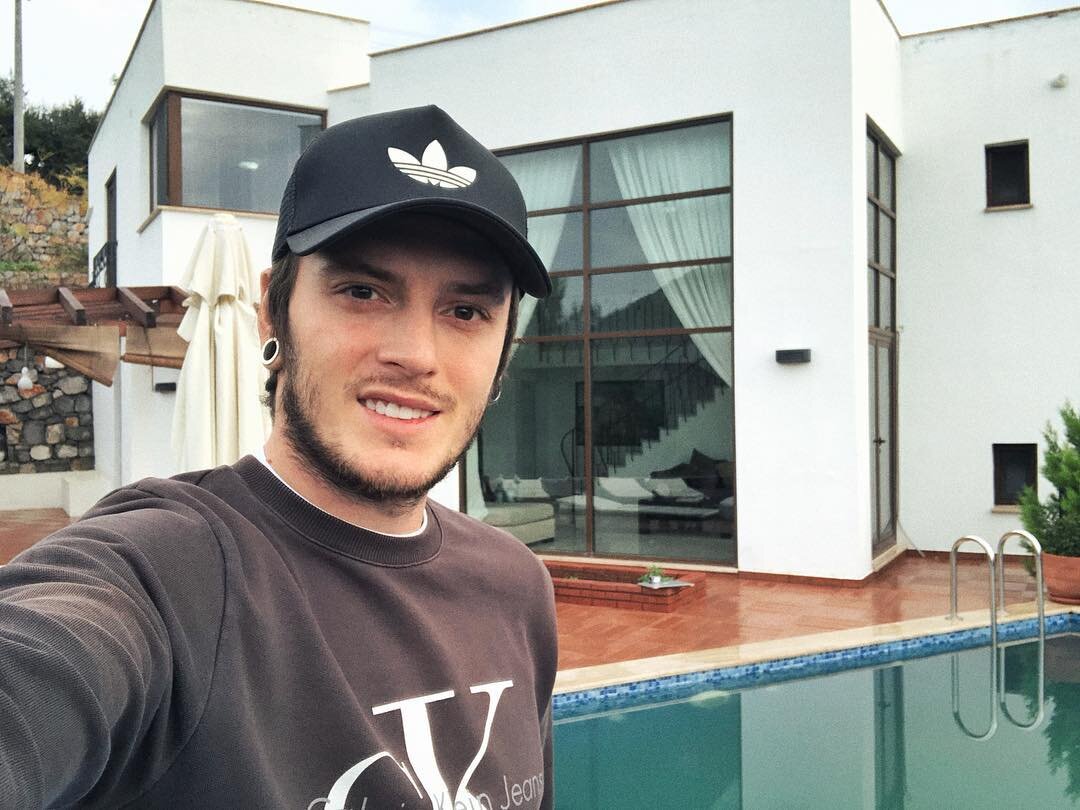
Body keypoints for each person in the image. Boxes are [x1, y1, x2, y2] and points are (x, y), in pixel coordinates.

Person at [0, 105, 558, 810]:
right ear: (272, 311)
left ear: (503, 350)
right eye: (363, 292)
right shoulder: (168, 574)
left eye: (466, 312)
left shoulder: (517, 588)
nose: (416, 355)